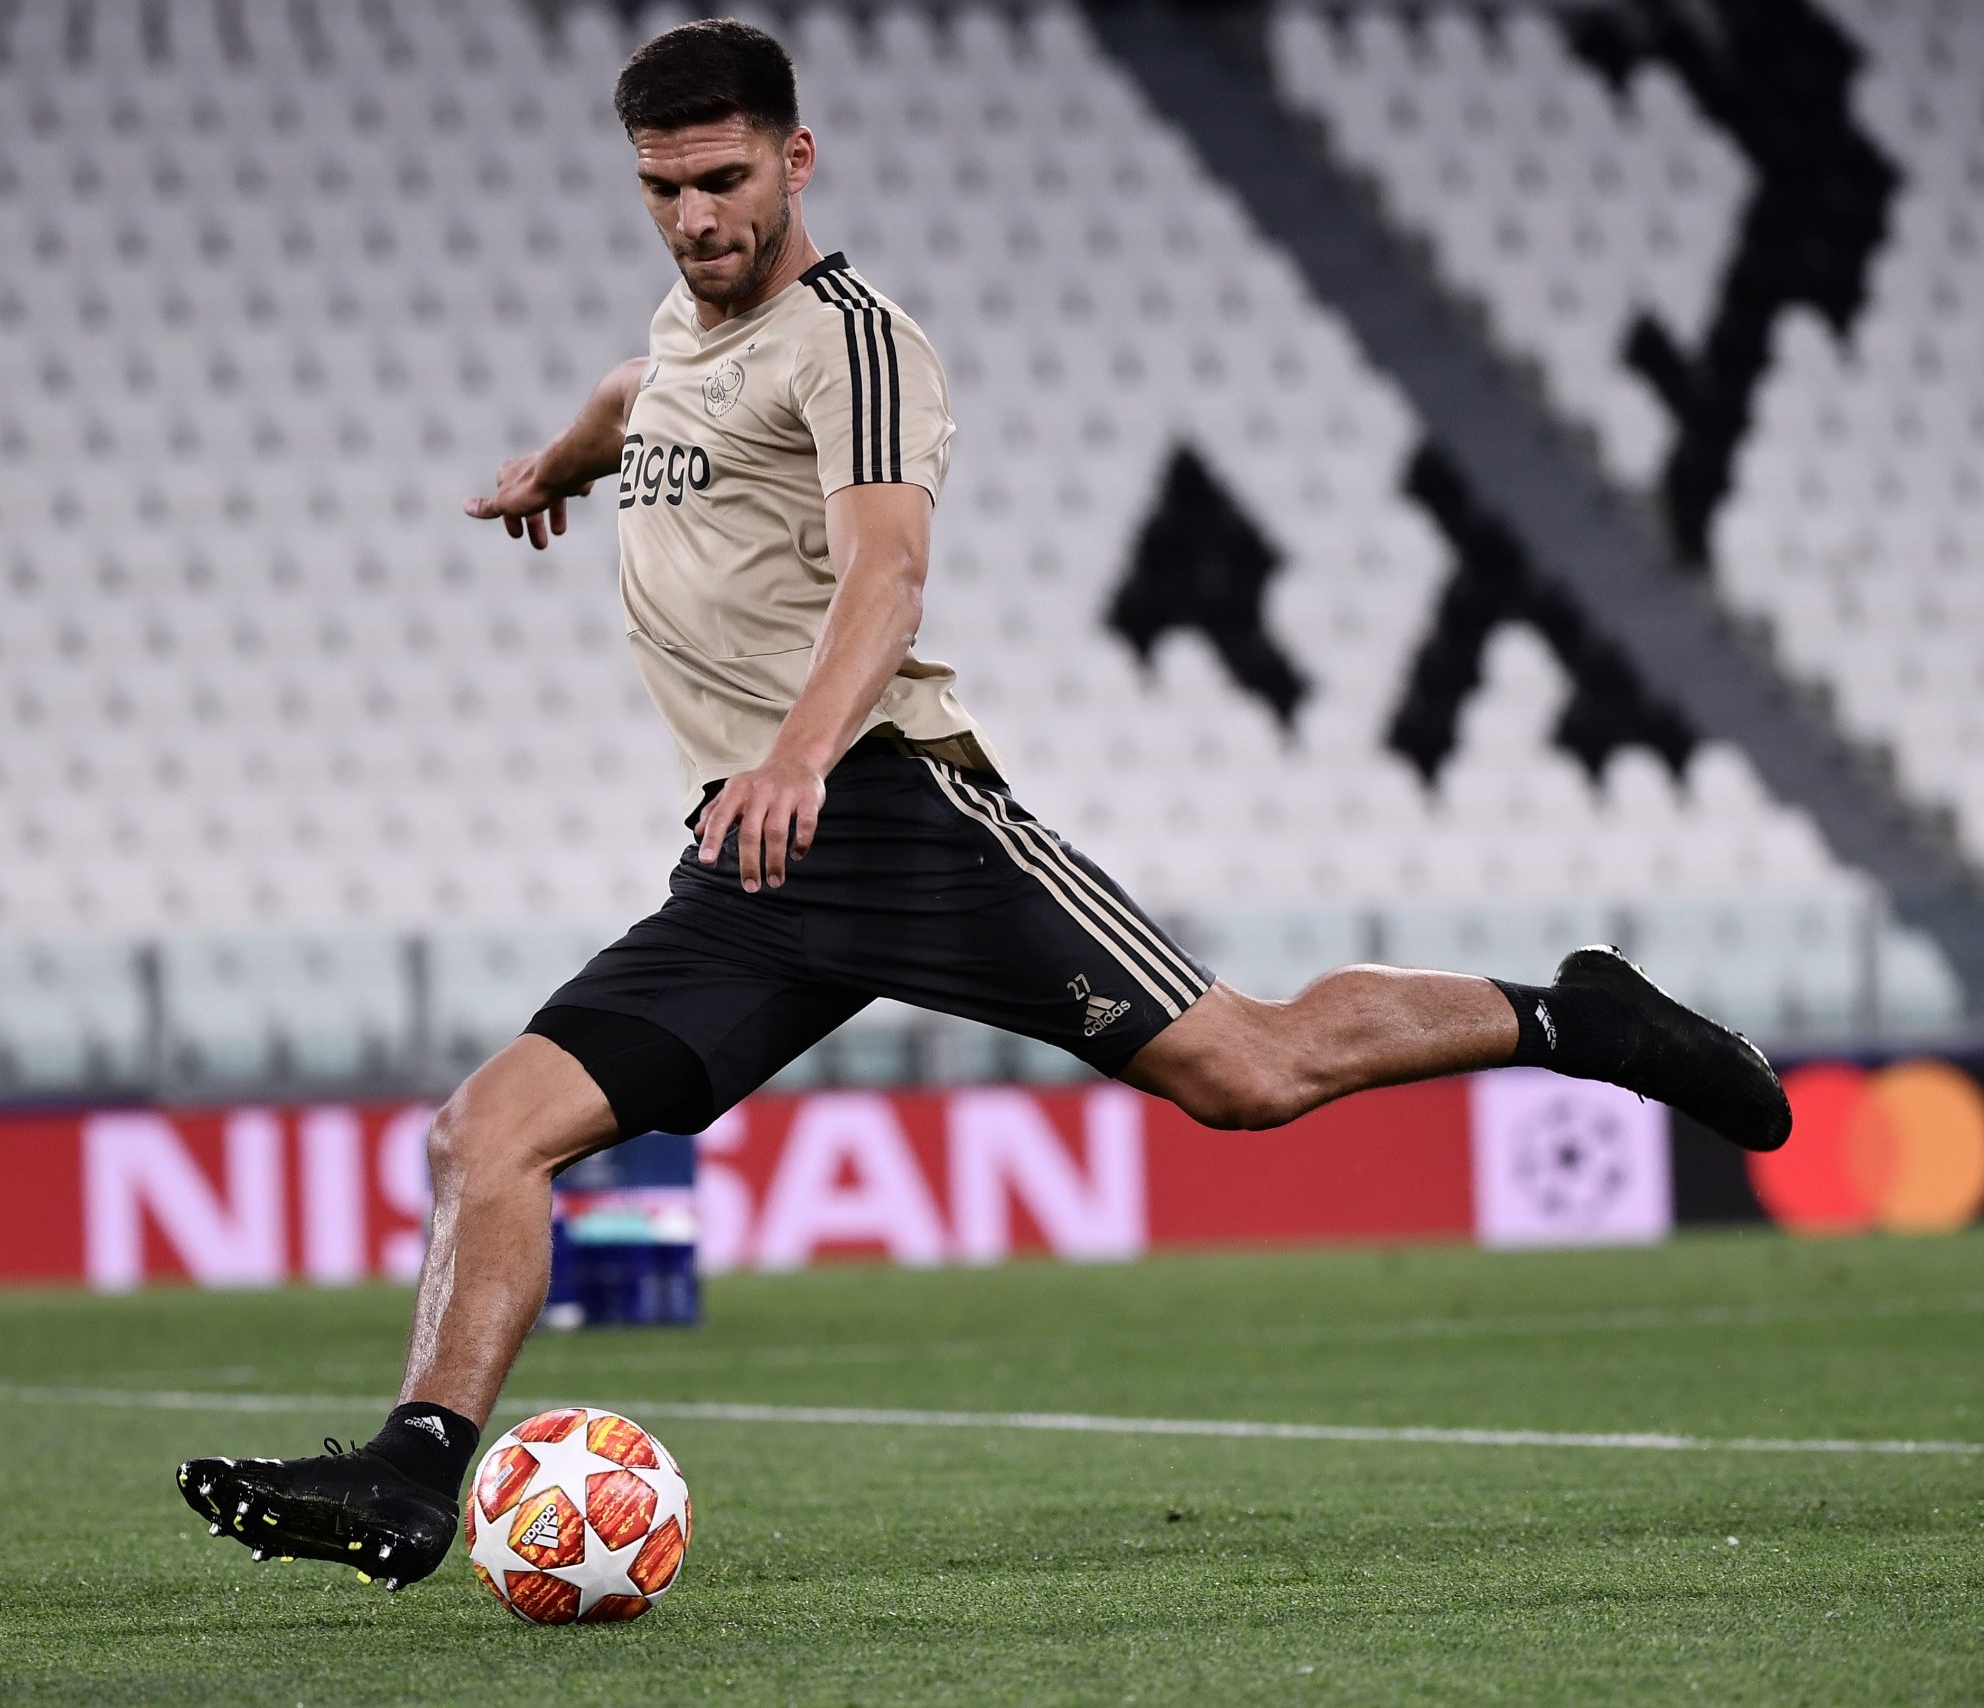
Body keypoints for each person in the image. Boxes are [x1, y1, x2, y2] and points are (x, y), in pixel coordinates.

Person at [178, 17, 1788, 1590]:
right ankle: (412, 1470)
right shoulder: (678, 342)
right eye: (662, 188)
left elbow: (886, 567)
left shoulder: (860, 342)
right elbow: (635, 396)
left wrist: (808, 750)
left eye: (725, 178)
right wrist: (554, 466)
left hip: (891, 812)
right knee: (487, 1135)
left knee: (1248, 1073)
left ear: (795, 157)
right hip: (748, 864)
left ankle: (1586, 1021)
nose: (696, 217)